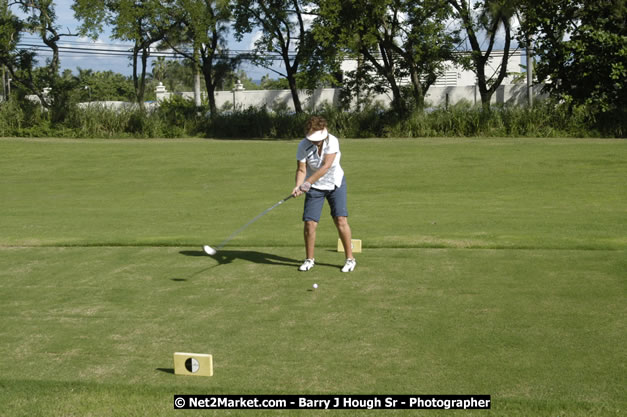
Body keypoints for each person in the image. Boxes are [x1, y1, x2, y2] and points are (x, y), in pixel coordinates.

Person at [291, 116, 356, 272]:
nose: (316, 142)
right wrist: (298, 186)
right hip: (315, 188)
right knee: (309, 223)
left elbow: (326, 166)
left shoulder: (332, 141)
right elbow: (301, 169)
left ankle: (350, 259)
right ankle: (309, 259)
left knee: (340, 219)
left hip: (335, 184)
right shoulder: (303, 145)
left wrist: (307, 183)